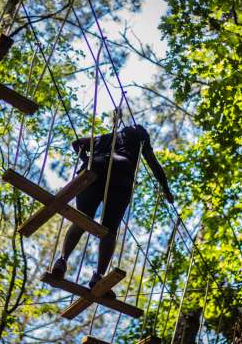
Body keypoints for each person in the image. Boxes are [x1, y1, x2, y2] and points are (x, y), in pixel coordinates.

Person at [51, 124, 173, 293]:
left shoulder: (104, 138)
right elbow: (154, 165)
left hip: (94, 170)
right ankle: (98, 276)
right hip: (121, 176)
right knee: (110, 231)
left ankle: (62, 261)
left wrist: (87, 161)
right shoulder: (141, 138)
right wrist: (166, 189)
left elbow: (77, 143)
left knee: (81, 220)